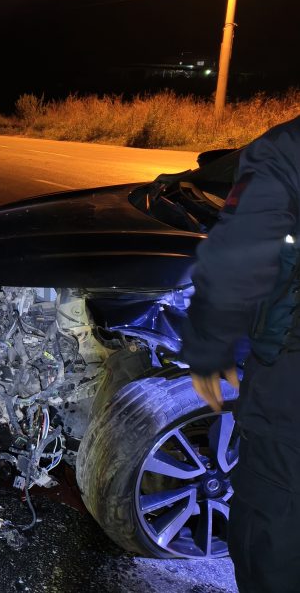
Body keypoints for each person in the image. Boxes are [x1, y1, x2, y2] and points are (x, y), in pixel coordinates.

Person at [179, 114, 300, 592]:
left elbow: (240, 252)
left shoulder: (288, 149)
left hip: (291, 390)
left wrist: (209, 345)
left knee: (274, 524)